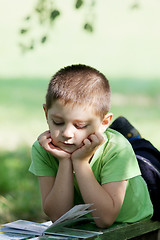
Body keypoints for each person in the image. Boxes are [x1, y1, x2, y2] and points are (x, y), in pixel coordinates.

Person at [29, 64, 153, 228]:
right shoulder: (43, 148)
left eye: (79, 125)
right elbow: (58, 218)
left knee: (146, 160)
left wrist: (80, 163)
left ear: (104, 122)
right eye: (58, 122)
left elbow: (105, 219)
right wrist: (66, 162)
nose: (66, 133)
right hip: (103, 170)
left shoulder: (118, 149)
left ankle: (133, 138)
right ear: (46, 114)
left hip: (149, 188)